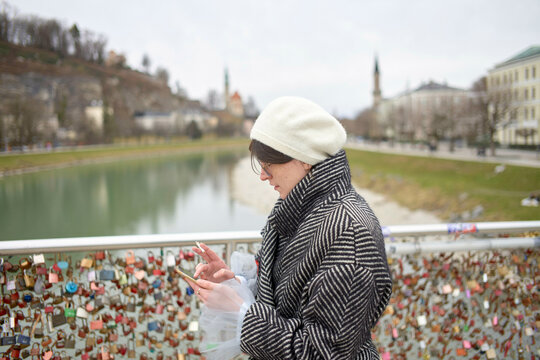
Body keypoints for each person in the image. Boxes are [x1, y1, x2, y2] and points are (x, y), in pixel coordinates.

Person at [185, 96, 393, 359]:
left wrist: (243, 314)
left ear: (305, 159)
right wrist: (235, 284)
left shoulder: (349, 233)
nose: (262, 175)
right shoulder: (297, 207)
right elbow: (283, 298)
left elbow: (323, 353)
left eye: (268, 165)